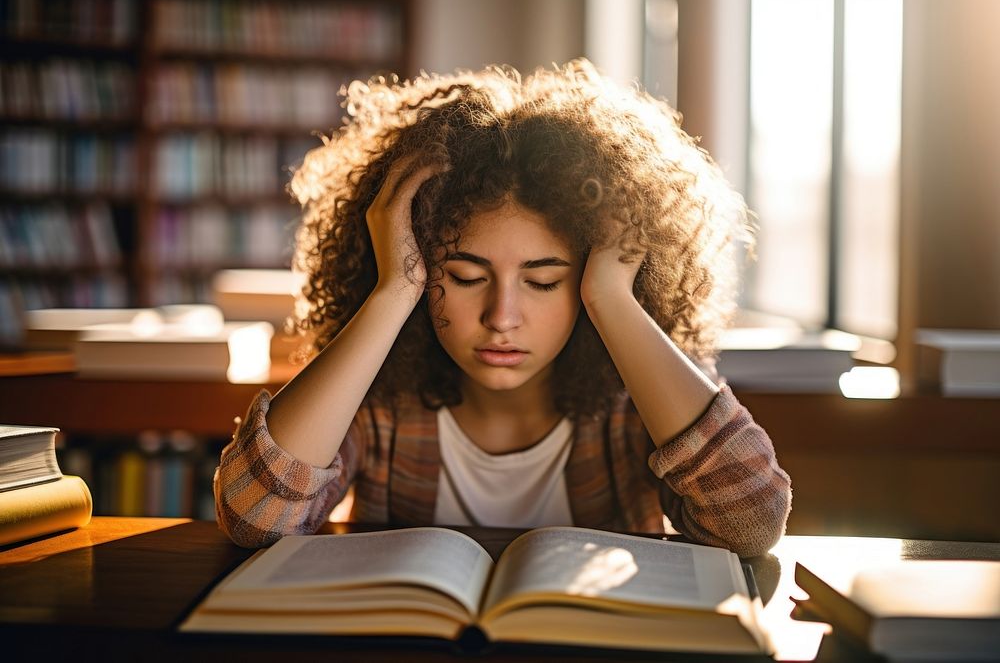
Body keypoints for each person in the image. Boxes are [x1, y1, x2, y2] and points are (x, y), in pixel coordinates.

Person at [215, 59, 791, 557]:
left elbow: (751, 523)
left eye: (543, 282)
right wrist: (393, 290)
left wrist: (613, 299)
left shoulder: (635, 396)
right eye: (465, 276)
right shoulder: (381, 397)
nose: (502, 317)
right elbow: (254, 520)